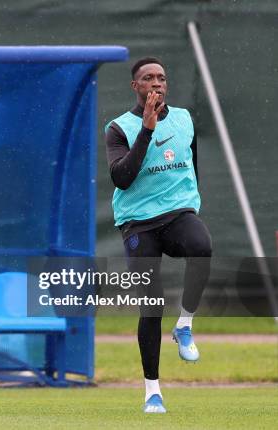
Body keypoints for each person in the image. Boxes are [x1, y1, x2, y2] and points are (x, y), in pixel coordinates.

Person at [105, 57, 212, 413]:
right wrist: (147, 130)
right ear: (135, 86)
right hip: (138, 222)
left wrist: (189, 205)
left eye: (161, 78)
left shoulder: (183, 119)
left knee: (202, 245)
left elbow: (190, 166)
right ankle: (153, 390)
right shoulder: (119, 128)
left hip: (177, 213)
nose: (156, 83)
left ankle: (185, 325)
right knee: (151, 303)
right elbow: (122, 178)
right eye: (148, 78)